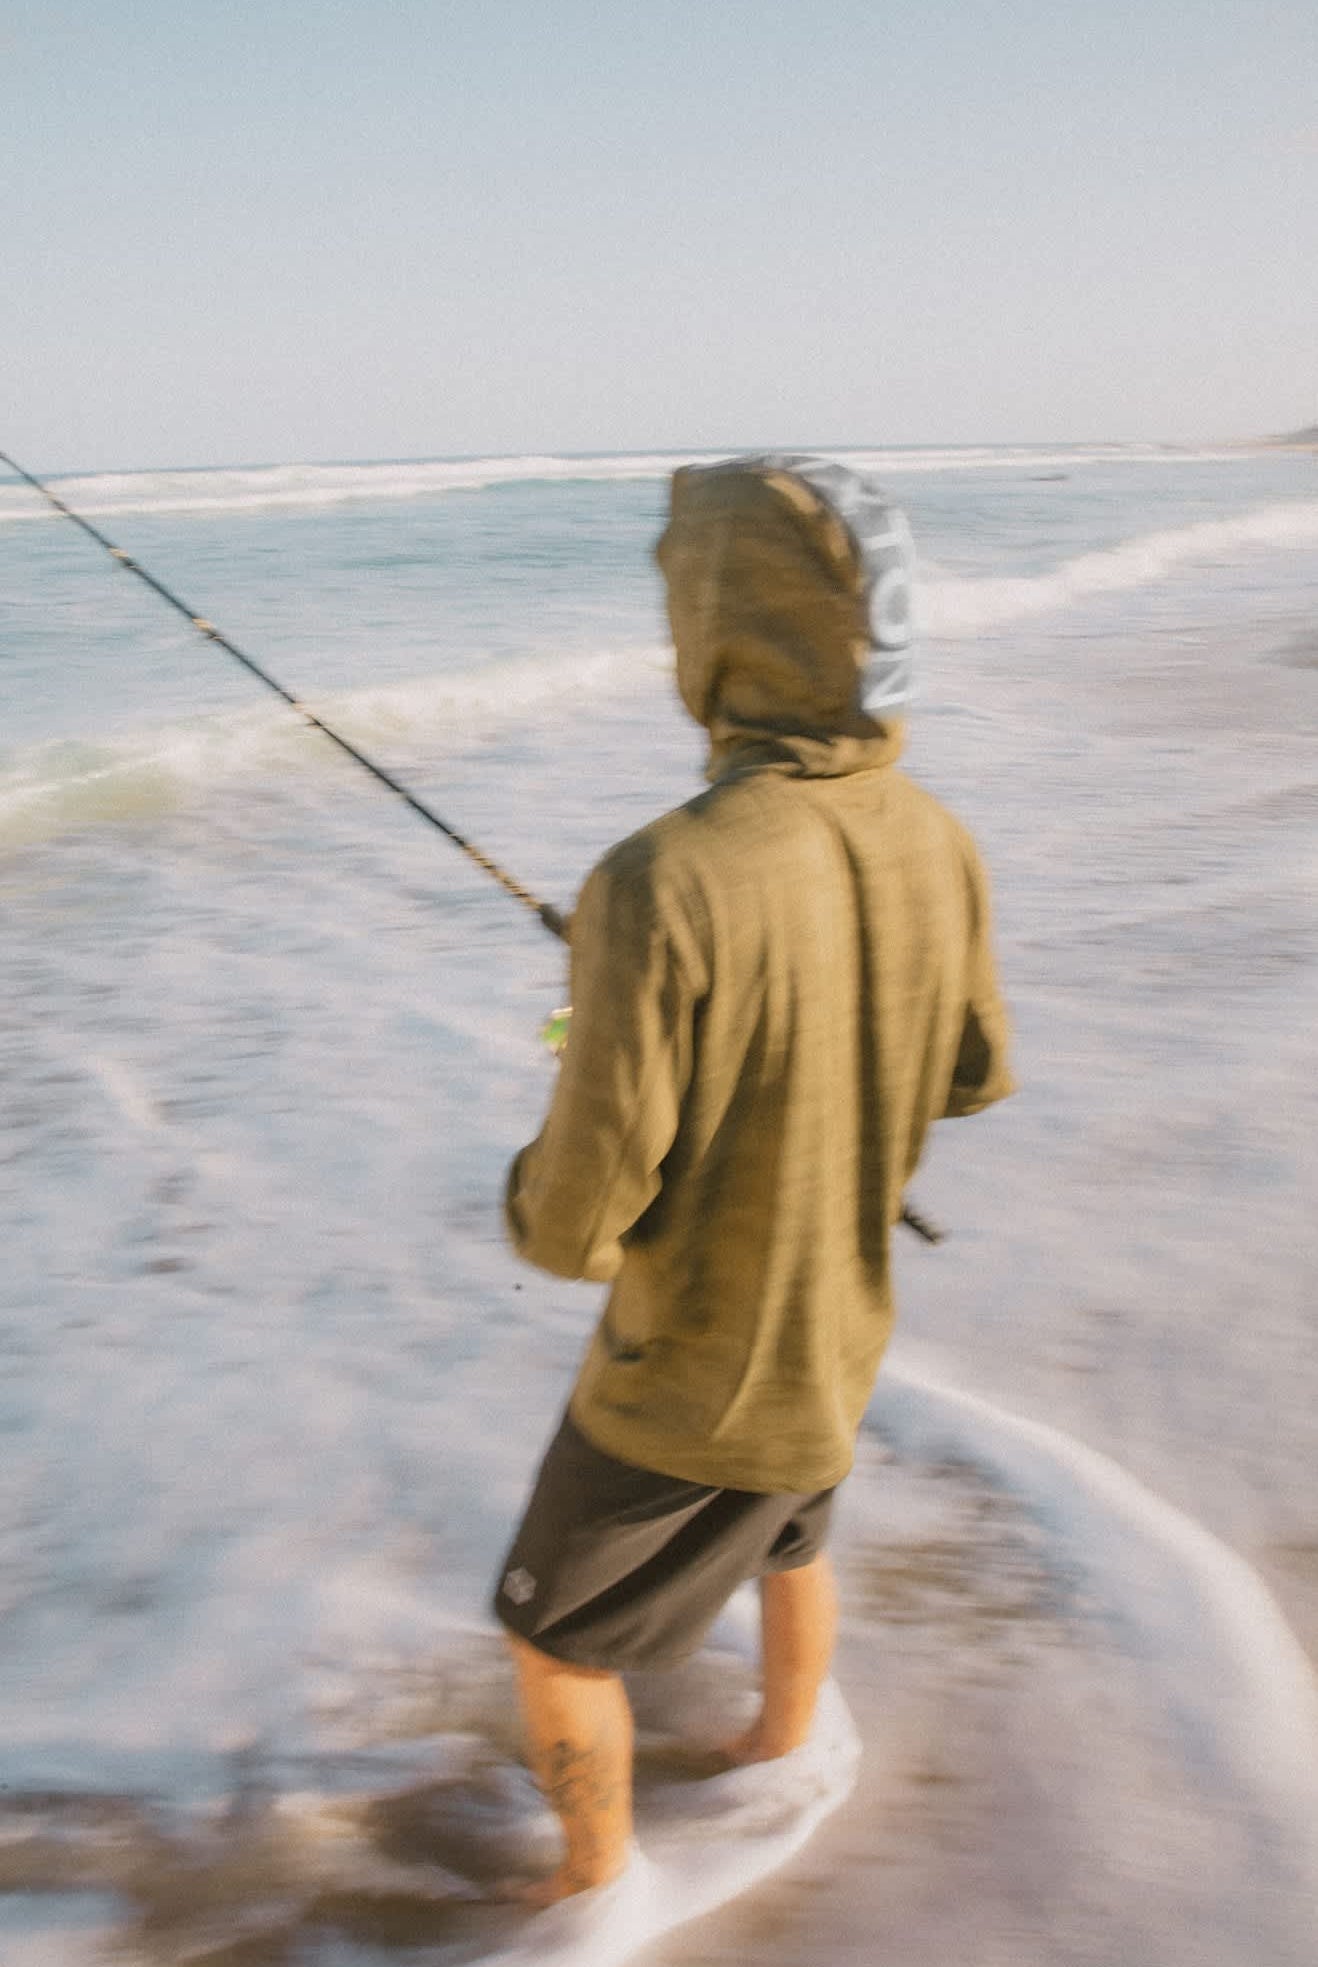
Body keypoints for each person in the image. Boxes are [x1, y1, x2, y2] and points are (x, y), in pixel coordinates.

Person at [491, 453, 1015, 1904]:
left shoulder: (660, 876)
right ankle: (780, 1744)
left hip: (690, 1375)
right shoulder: (937, 836)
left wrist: (580, 1067)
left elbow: (577, 1226)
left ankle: (587, 1893)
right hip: (838, 1337)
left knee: (551, 1637)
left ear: (716, 621)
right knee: (788, 1540)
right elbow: (967, 1075)